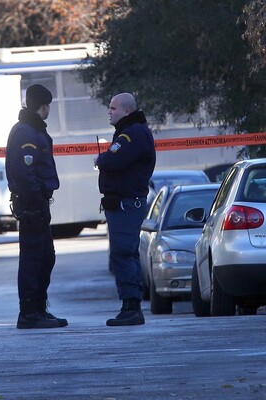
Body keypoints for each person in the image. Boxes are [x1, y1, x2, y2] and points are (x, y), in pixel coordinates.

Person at [5, 84, 68, 329]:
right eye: (49, 105)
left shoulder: (32, 129)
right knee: (34, 258)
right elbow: (23, 171)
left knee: (45, 257)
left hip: (39, 202)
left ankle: (39, 308)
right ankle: (29, 312)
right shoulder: (26, 132)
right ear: (44, 106)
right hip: (32, 204)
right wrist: (34, 201)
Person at [95, 92, 156, 326]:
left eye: (113, 108)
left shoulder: (132, 134)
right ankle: (130, 306)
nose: (109, 112)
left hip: (127, 203)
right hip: (123, 202)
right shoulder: (129, 132)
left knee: (123, 253)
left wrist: (100, 160)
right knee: (124, 253)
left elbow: (114, 160)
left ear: (127, 111)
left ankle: (131, 307)